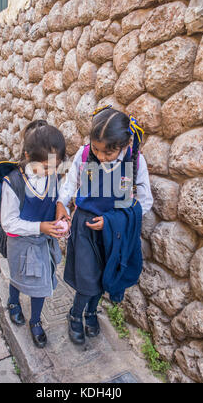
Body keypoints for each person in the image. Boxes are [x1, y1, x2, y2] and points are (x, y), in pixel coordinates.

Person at [56, 106, 153, 345]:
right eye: (97, 150)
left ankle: (91, 313)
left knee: (101, 278)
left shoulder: (135, 162)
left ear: (124, 144)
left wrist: (112, 221)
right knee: (87, 279)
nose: (101, 156)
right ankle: (75, 315)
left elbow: (146, 201)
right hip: (85, 226)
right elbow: (70, 184)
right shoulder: (84, 154)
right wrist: (61, 203)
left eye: (108, 153)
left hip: (113, 232)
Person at [1, 122, 66, 348]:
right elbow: (8, 223)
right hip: (21, 243)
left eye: (53, 167)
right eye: (44, 168)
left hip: (42, 243)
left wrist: (61, 211)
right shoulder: (14, 182)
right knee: (18, 275)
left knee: (41, 283)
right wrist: (41, 227)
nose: (49, 173)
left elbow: (56, 198)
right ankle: (13, 302)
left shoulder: (53, 176)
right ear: (28, 156)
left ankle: (36, 320)